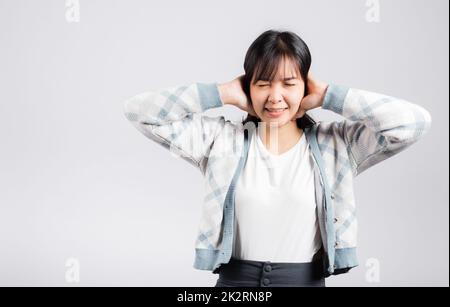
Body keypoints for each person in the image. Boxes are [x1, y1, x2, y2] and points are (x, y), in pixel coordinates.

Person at [123, 29, 432, 287]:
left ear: (305, 86)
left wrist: (329, 95)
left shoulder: (337, 145)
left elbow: (413, 123)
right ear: (247, 86)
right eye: (262, 83)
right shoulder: (220, 141)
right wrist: (222, 93)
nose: (275, 97)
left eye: (288, 83)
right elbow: (139, 111)